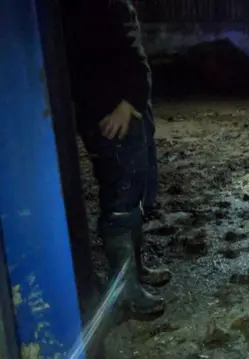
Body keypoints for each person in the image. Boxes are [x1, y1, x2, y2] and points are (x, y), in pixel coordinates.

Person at [60, 0, 171, 317]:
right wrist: (122, 103)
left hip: (129, 109)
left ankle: (135, 271)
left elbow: (129, 55)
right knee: (121, 200)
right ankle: (126, 291)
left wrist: (134, 100)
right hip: (112, 113)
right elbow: (91, 62)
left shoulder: (113, 5)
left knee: (133, 193)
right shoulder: (88, 9)